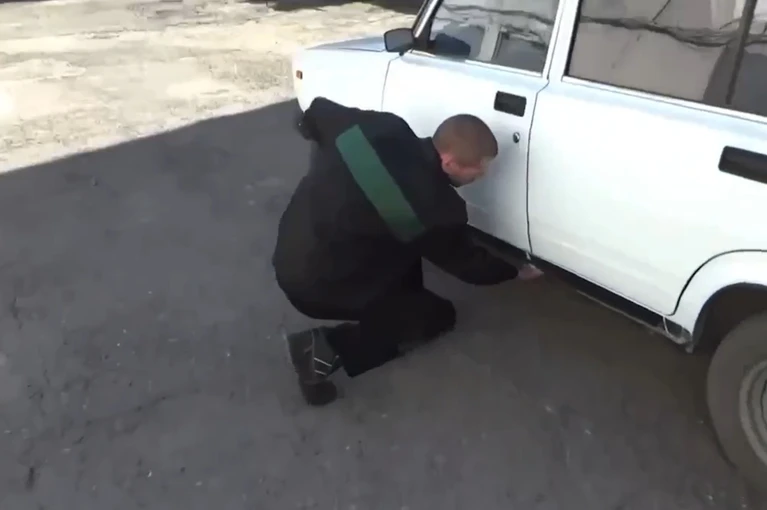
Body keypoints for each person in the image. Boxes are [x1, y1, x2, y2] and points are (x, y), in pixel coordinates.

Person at [273, 96, 543, 406]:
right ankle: (320, 351)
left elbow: (320, 112)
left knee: (405, 242)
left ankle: (395, 300)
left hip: (294, 242)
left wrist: (307, 128)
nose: (481, 176)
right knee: (436, 316)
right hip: (318, 284)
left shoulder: (388, 128)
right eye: (478, 171)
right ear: (449, 163)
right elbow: (469, 264)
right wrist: (515, 270)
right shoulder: (433, 206)